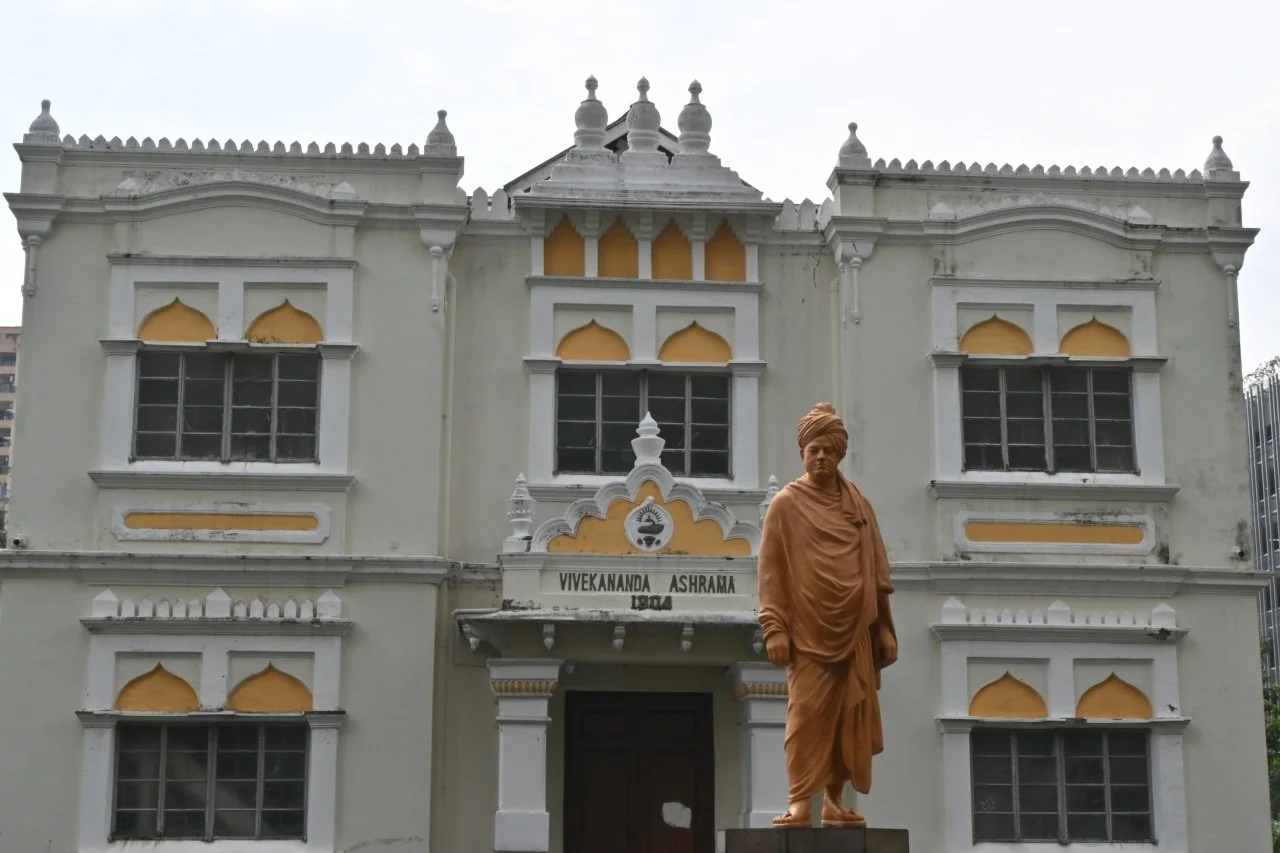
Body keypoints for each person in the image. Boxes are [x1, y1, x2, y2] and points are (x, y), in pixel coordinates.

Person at [757, 402, 898, 827]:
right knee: (805, 716)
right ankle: (800, 799)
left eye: (829, 452)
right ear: (802, 452)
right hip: (807, 630)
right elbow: (771, 571)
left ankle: (834, 801)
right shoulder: (785, 504)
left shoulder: (858, 505)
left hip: (856, 628)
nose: (821, 457)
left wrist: (884, 630)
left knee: (845, 717)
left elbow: (876, 571)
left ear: (839, 456)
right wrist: (773, 627)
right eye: (814, 449)